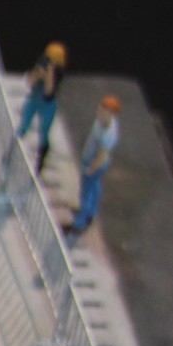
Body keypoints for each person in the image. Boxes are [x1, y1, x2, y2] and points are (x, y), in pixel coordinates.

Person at [65, 96, 120, 244]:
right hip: (91, 161)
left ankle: (79, 223)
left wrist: (90, 169)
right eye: (101, 108)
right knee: (95, 189)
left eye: (105, 111)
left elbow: (102, 156)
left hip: (93, 165)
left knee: (86, 193)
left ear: (112, 114)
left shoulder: (109, 134)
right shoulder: (102, 121)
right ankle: (90, 213)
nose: (101, 112)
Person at [16, 42, 66, 175]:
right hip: (34, 99)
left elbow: (49, 92)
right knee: (23, 126)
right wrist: (37, 73)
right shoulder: (40, 64)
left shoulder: (58, 72)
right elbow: (30, 82)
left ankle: (40, 163)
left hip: (47, 104)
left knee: (44, 133)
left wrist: (49, 72)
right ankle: (13, 152)